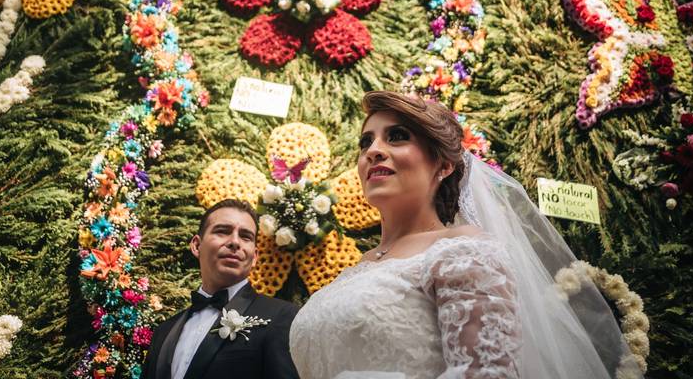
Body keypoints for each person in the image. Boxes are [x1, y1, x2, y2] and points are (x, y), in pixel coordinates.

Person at [289, 91, 643, 379]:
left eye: (397, 136)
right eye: (366, 142)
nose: (373, 150)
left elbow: (488, 375)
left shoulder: (463, 251)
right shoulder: (356, 269)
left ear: (443, 165)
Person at [142, 199, 300, 379]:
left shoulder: (282, 317)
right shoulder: (163, 332)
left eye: (246, 236)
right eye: (223, 231)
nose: (234, 242)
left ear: (255, 256)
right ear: (196, 245)